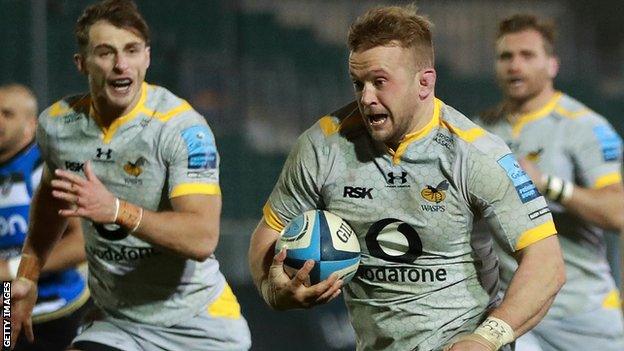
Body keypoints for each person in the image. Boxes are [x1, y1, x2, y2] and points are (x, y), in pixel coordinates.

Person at [248, 5, 566, 351]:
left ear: (424, 83)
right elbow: (269, 231)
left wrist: (485, 339)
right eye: (359, 83)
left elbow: (546, 262)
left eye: (379, 82)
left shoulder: (476, 153)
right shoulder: (322, 147)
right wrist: (274, 289)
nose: (366, 98)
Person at [9, 1, 251, 350]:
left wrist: (117, 210)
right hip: (119, 321)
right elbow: (51, 198)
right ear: (82, 64)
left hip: (199, 325)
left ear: (147, 58)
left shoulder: (182, 129)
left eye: (131, 50)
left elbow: (201, 238)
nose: (121, 64)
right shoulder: (58, 125)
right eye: (106, 53)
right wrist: (27, 275)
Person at [474, 14, 624, 351]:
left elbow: (618, 211)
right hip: (517, 312)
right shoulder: (480, 130)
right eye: (505, 56)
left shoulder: (582, 126)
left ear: (552, 64)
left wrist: (548, 185)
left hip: (581, 314)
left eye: (527, 56)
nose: (515, 65)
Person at [0, 84, 89, 351]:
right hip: (7, 307)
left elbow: (82, 242)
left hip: (59, 307)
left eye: (7, 114)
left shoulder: (47, 168)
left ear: (30, 125)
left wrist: (12, 269)